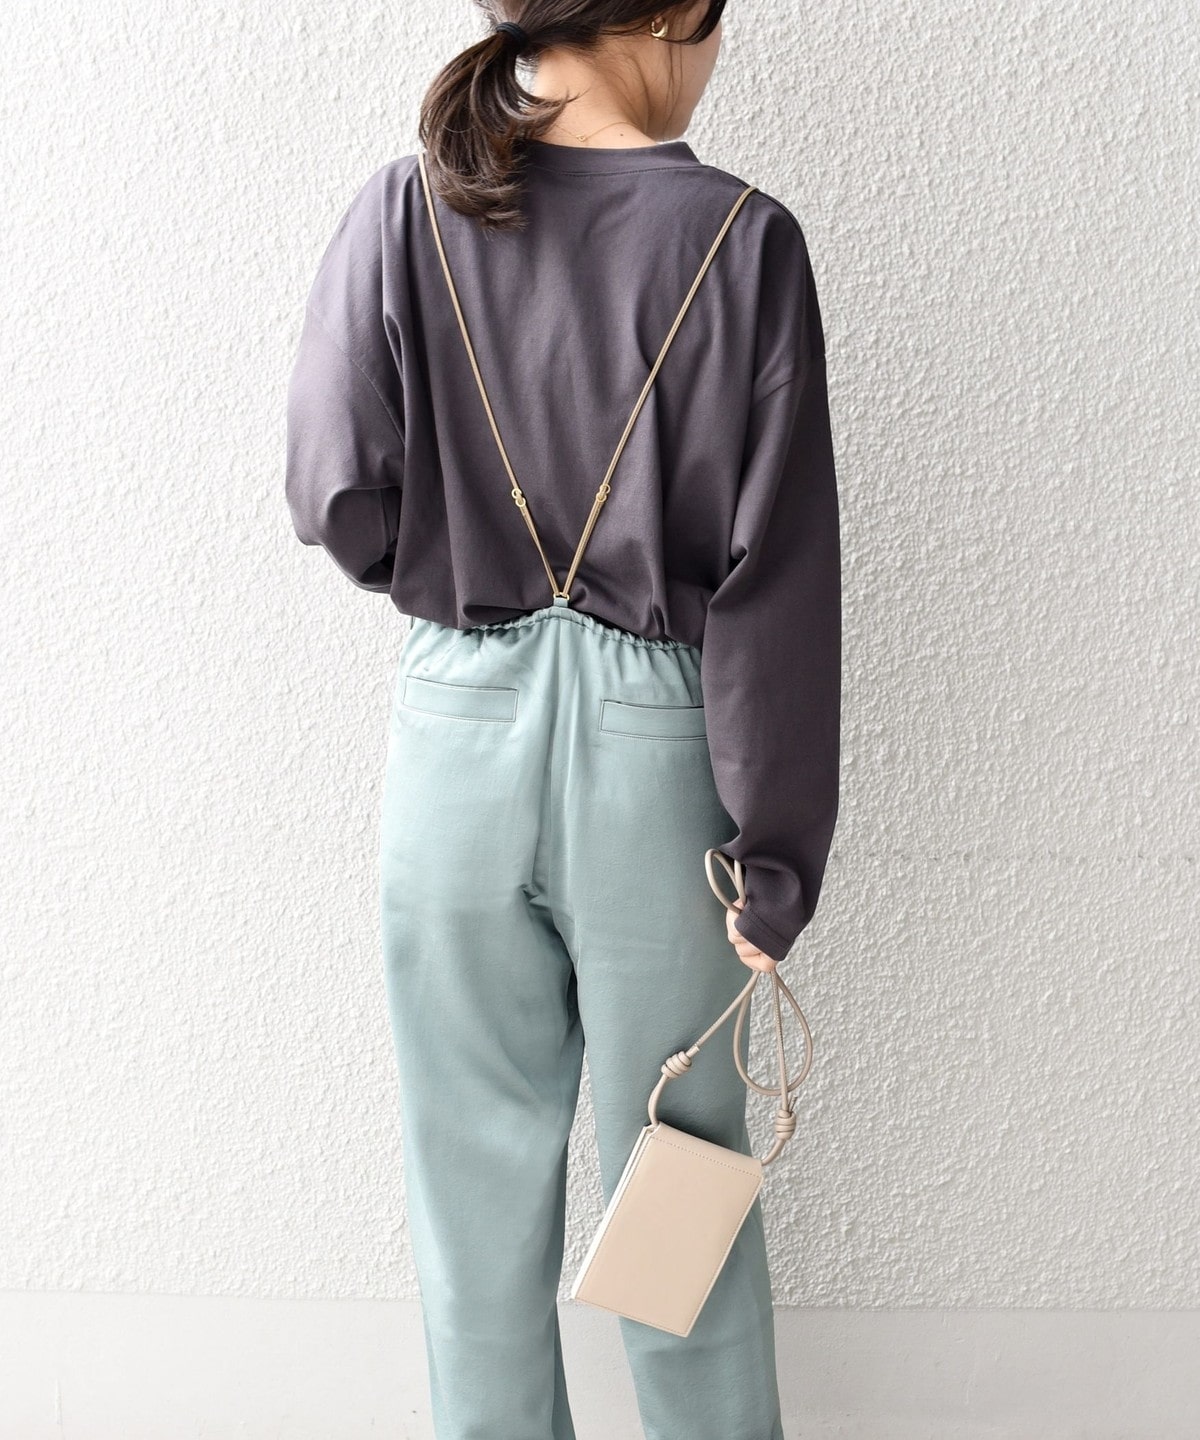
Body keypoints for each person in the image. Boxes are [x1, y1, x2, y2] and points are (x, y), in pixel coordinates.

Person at [285, 1, 840, 1434]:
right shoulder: (742, 240)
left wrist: (454, 583)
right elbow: (775, 582)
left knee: (471, 1212)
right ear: (667, 12)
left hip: (453, 741)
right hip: (657, 760)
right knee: (682, 1189)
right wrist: (778, 854)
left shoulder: (404, 209)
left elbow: (333, 490)